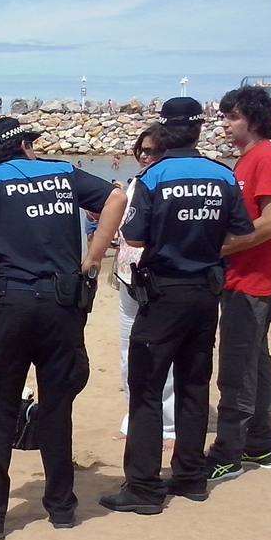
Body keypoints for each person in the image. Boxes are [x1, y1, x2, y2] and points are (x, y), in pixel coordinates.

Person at [0, 117, 126, 539]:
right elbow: (116, 196)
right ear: (22, 146)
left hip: (11, 306)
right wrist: (94, 256)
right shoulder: (62, 173)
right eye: (31, 144)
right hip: (61, 305)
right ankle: (61, 508)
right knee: (57, 408)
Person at [99, 100, 254, 515]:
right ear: (199, 132)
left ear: (164, 133)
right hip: (206, 291)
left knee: (146, 388)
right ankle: (190, 477)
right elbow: (243, 231)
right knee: (193, 384)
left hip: (165, 291)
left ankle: (144, 487)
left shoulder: (153, 177)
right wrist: (202, 244)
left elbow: (133, 237)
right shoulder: (224, 175)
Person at [207, 86, 271, 481]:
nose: (224, 124)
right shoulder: (246, 160)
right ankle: (261, 444)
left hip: (254, 279)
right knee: (255, 363)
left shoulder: (269, 158)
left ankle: (228, 452)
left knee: (236, 368)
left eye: (232, 117)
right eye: (224, 117)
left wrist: (219, 248)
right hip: (243, 276)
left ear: (254, 119)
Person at [113, 128, 175, 445]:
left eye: (153, 151)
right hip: (128, 274)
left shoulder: (157, 183)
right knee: (128, 351)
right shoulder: (136, 182)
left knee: (161, 351)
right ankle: (134, 415)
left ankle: (167, 423)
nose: (146, 157)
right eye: (143, 150)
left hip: (154, 275)